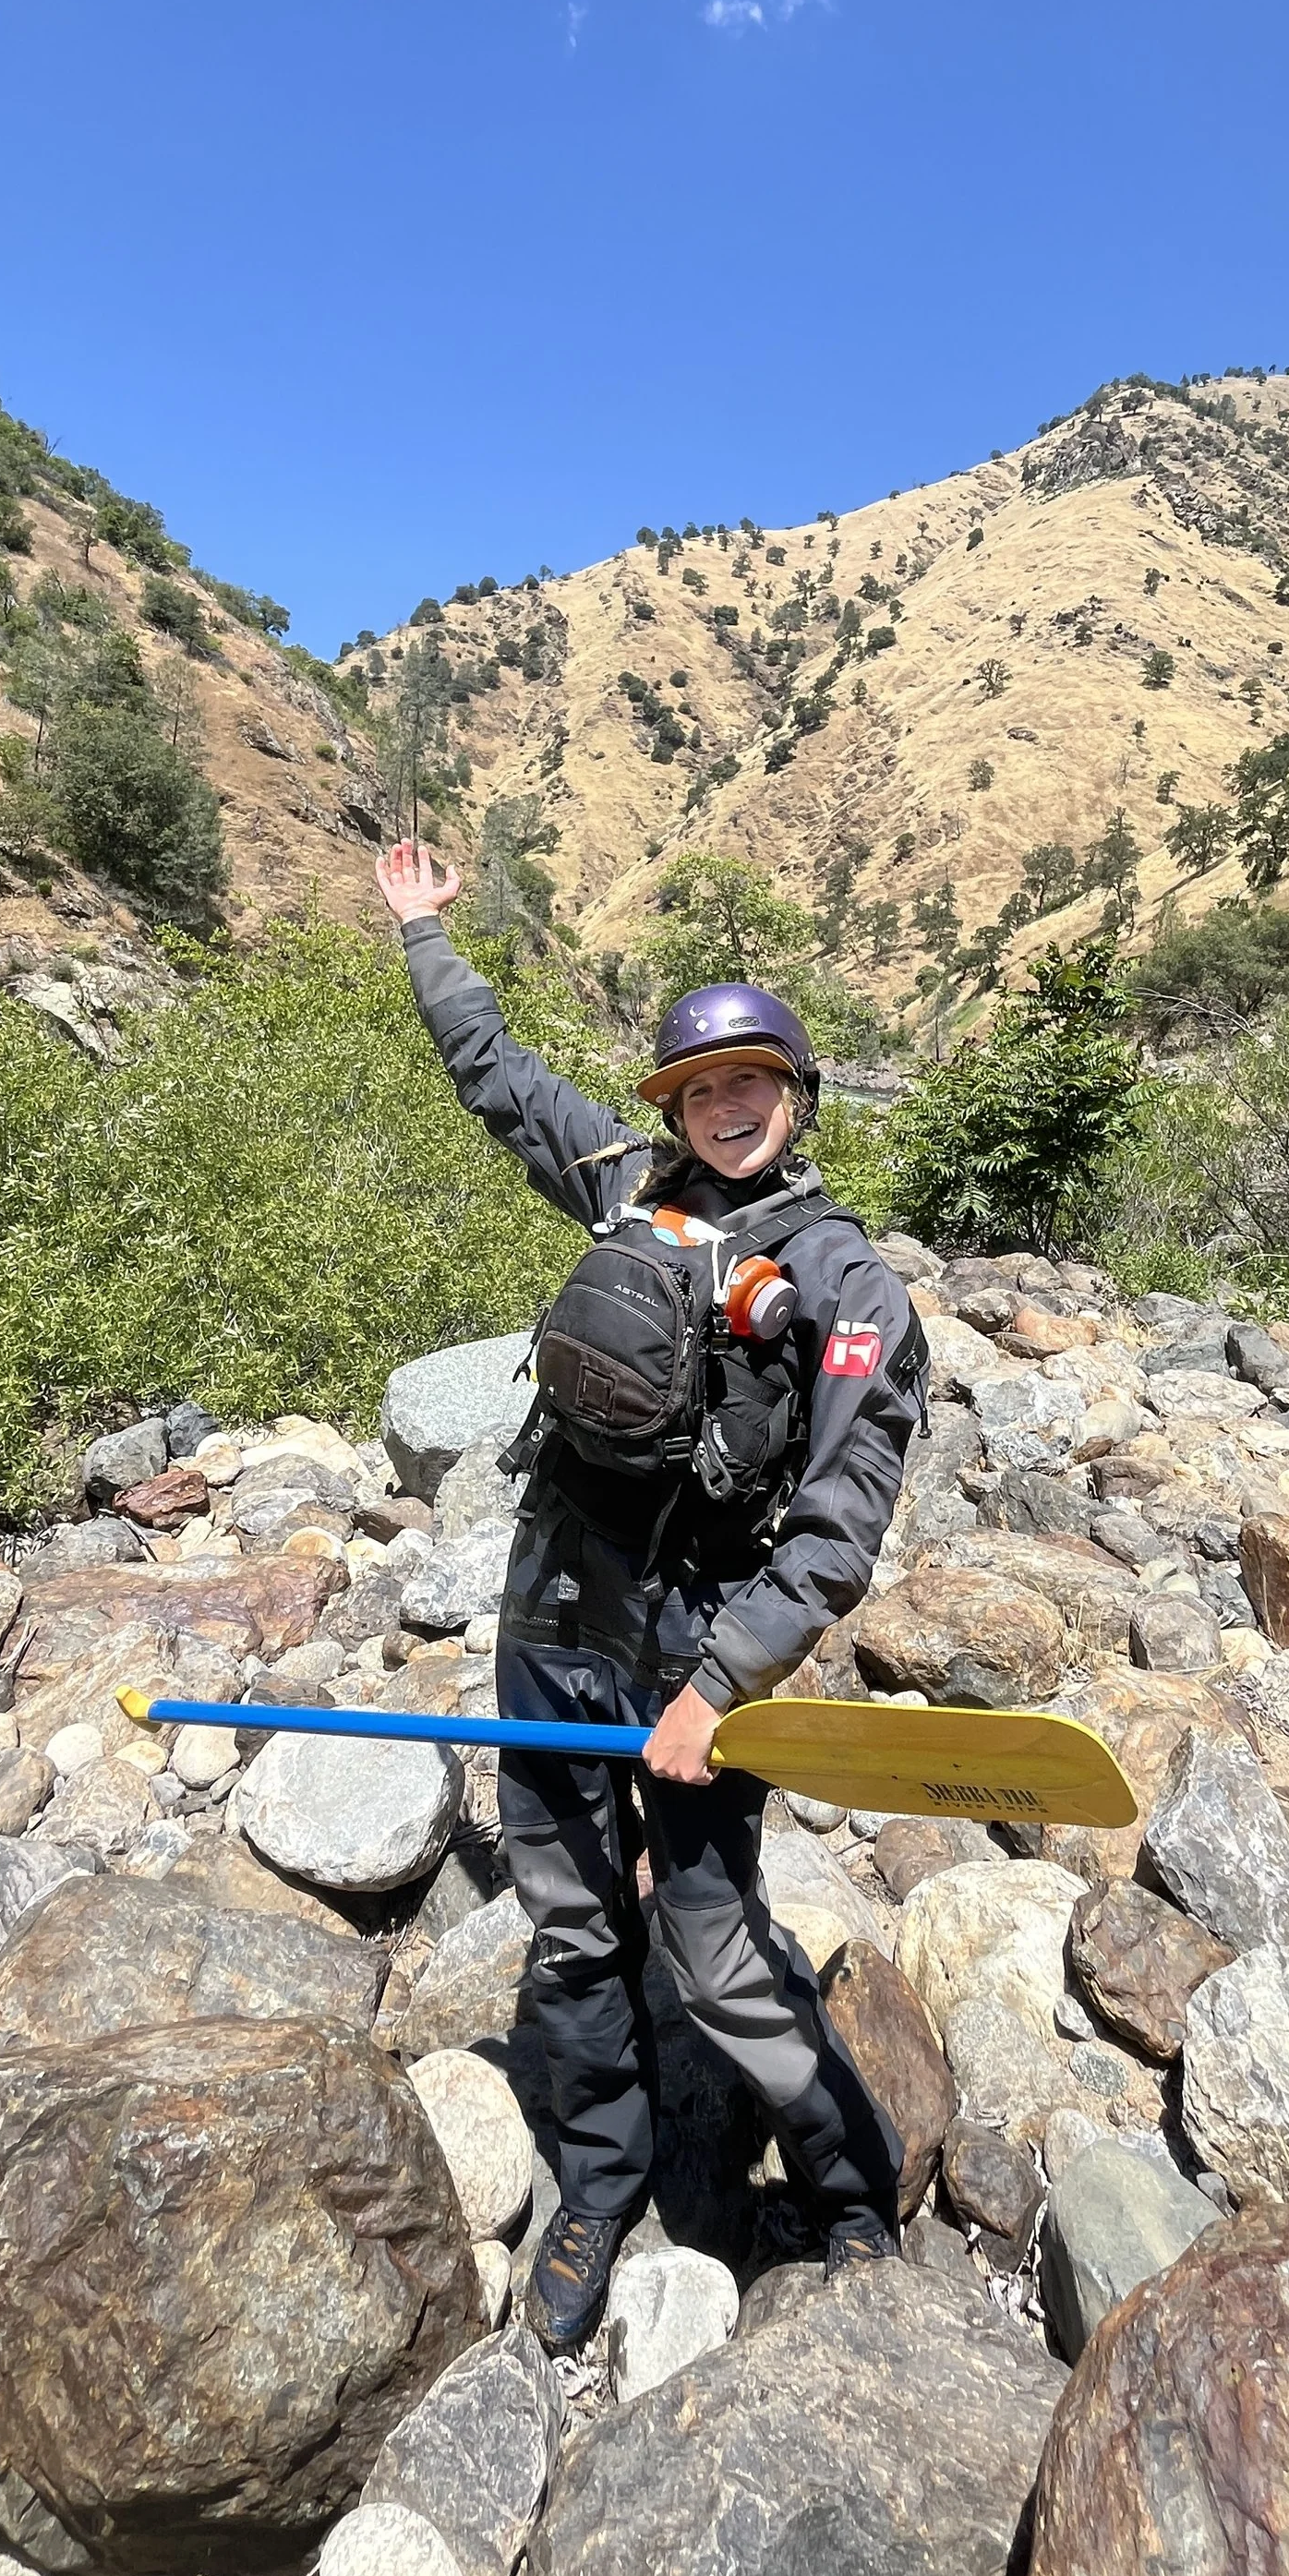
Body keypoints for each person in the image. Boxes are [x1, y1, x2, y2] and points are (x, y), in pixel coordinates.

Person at [373, 837, 928, 2350]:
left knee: (714, 1945)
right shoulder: (623, 1189)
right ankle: (601, 2186)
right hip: (554, 1620)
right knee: (568, 1930)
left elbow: (837, 1519)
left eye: (752, 1082)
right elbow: (497, 1079)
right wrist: (425, 936)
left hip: (692, 1654)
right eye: (700, 1089)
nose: (727, 1107)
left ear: (794, 1094)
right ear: (673, 1109)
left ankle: (852, 2187)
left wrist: (720, 1683)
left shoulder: (846, 1285)